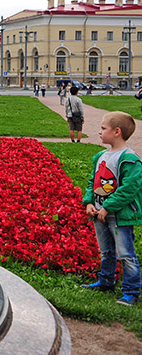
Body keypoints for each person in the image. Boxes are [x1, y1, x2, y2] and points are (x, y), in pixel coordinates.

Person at [81, 111, 142, 306]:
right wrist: (89, 202)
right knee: (106, 251)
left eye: (103, 128)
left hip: (118, 216)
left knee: (126, 254)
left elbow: (129, 189)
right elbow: (93, 181)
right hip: (100, 213)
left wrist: (107, 207)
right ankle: (106, 281)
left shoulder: (130, 159)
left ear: (117, 131)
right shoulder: (101, 156)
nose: (99, 132)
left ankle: (131, 292)